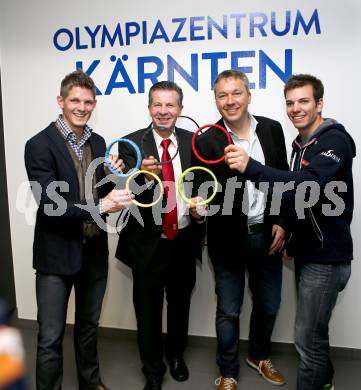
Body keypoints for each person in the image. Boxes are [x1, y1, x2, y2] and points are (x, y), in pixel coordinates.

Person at [225, 74, 355, 390]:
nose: (296, 109)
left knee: (306, 341)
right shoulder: (301, 144)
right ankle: (325, 383)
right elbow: (300, 198)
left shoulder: (334, 141)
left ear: (319, 103)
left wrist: (251, 167)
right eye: (291, 102)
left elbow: (307, 184)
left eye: (304, 101)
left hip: (327, 259)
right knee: (315, 334)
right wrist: (289, 231)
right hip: (309, 254)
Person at [24, 70, 133, 390]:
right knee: (50, 337)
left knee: (88, 327)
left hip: (94, 253)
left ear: (94, 104)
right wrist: (101, 207)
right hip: (55, 256)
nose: (82, 107)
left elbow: (98, 190)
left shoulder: (97, 141)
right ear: (61, 101)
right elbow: (51, 204)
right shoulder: (39, 145)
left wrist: (114, 175)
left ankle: (90, 382)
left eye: (88, 101)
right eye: (75, 100)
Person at [192, 70, 288, 389]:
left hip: (267, 235)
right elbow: (203, 191)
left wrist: (282, 222)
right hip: (227, 240)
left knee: (269, 304)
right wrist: (198, 208)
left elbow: (284, 181)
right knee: (229, 311)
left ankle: (258, 355)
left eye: (236, 93)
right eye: (222, 95)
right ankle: (228, 371)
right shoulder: (207, 139)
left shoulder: (272, 130)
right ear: (215, 99)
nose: (230, 101)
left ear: (249, 95)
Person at [115, 81, 205, 390]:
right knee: (148, 312)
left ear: (180, 109)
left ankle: (176, 357)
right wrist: (140, 175)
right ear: (149, 107)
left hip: (183, 241)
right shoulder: (130, 145)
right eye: (157, 104)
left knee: (180, 305)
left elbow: (204, 188)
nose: (163, 111)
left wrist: (201, 209)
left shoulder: (194, 142)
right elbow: (119, 194)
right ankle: (153, 370)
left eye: (170, 105)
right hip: (146, 244)